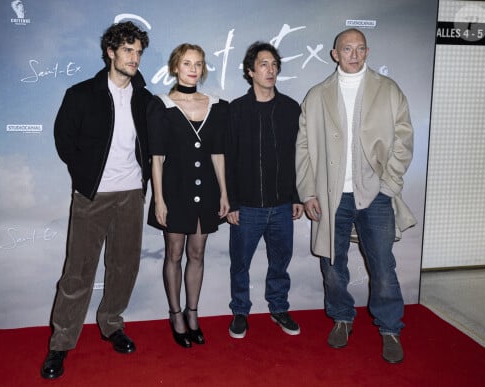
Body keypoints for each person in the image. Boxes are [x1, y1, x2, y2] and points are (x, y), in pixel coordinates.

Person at [295, 28, 416, 363]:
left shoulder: (388, 90)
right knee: (332, 265)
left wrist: (389, 185)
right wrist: (307, 193)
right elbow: (303, 149)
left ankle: (390, 327)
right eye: (346, 49)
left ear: (367, 51)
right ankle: (342, 319)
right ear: (334, 53)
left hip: (376, 195)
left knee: (383, 266)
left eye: (360, 48)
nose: (353, 54)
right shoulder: (317, 95)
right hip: (331, 195)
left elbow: (404, 140)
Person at [40, 21, 152, 379]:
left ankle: (112, 324)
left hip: (132, 193)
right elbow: (63, 140)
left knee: (124, 267)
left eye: (138, 52)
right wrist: (87, 174)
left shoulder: (145, 98)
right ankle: (60, 344)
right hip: (93, 195)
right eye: (128, 51)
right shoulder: (81, 94)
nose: (134, 58)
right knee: (79, 272)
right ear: (110, 52)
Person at [147, 43, 230, 348]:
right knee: (175, 254)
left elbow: (218, 153)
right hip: (174, 191)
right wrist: (158, 199)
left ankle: (192, 313)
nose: (193, 69)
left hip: (206, 191)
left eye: (198, 63)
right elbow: (156, 158)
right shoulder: (161, 106)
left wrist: (224, 193)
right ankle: (175, 314)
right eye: (186, 63)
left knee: (197, 254)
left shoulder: (217, 105)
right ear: (175, 67)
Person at [226, 42, 304, 339]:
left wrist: (296, 195)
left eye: (273, 64)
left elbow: (298, 156)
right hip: (246, 207)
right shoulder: (236, 110)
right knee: (240, 264)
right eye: (263, 64)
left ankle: (279, 308)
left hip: (283, 205)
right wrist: (231, 202)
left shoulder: (290, 108)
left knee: (280, 263)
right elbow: (228, 160)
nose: (270, 69)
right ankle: (240, 312)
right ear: (250, 71)